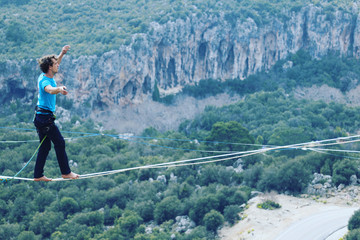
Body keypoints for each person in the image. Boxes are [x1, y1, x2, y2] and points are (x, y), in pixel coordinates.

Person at [33, 45, 79, 181]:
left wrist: (62, 53)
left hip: (41, 117)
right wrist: (59, 89)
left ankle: (38, 175)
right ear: (49, 67)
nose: (58, 65)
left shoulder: (46, 74)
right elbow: (50, 90)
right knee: (59, 142)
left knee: (45, 146)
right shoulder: (44, 81)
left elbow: (56, 61)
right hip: (45, 119)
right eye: (55, 64)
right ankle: (66, 172)